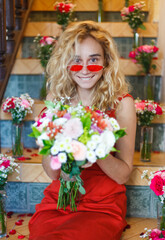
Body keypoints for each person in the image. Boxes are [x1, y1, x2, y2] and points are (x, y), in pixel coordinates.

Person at [29, 20, 136, 240]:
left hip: (103, 203)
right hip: (59, 199)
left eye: (94, 60)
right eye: (76, 61)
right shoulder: (55, 100)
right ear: (66, 64)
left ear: (106, 62)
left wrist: (96, 149)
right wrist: (56, 146)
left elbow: (124, 174)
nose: (85, 69)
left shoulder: (122, 103)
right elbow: (52, 172)